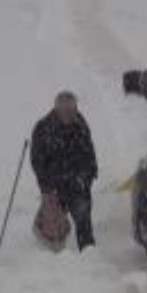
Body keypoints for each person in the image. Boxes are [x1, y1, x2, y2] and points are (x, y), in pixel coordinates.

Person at [31, 91, 98, 251]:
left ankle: (88, 253)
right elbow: (37, 162)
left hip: (77, 182)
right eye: (65, 110)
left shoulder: (80, 124)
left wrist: (88, 176)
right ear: (56, 110)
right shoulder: (43, 128)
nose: (69, 114)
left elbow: (89, 154)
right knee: (53, 225)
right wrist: (47, 188)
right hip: (55, 184)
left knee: (83, 216)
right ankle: (53, 263)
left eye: (72, 110)